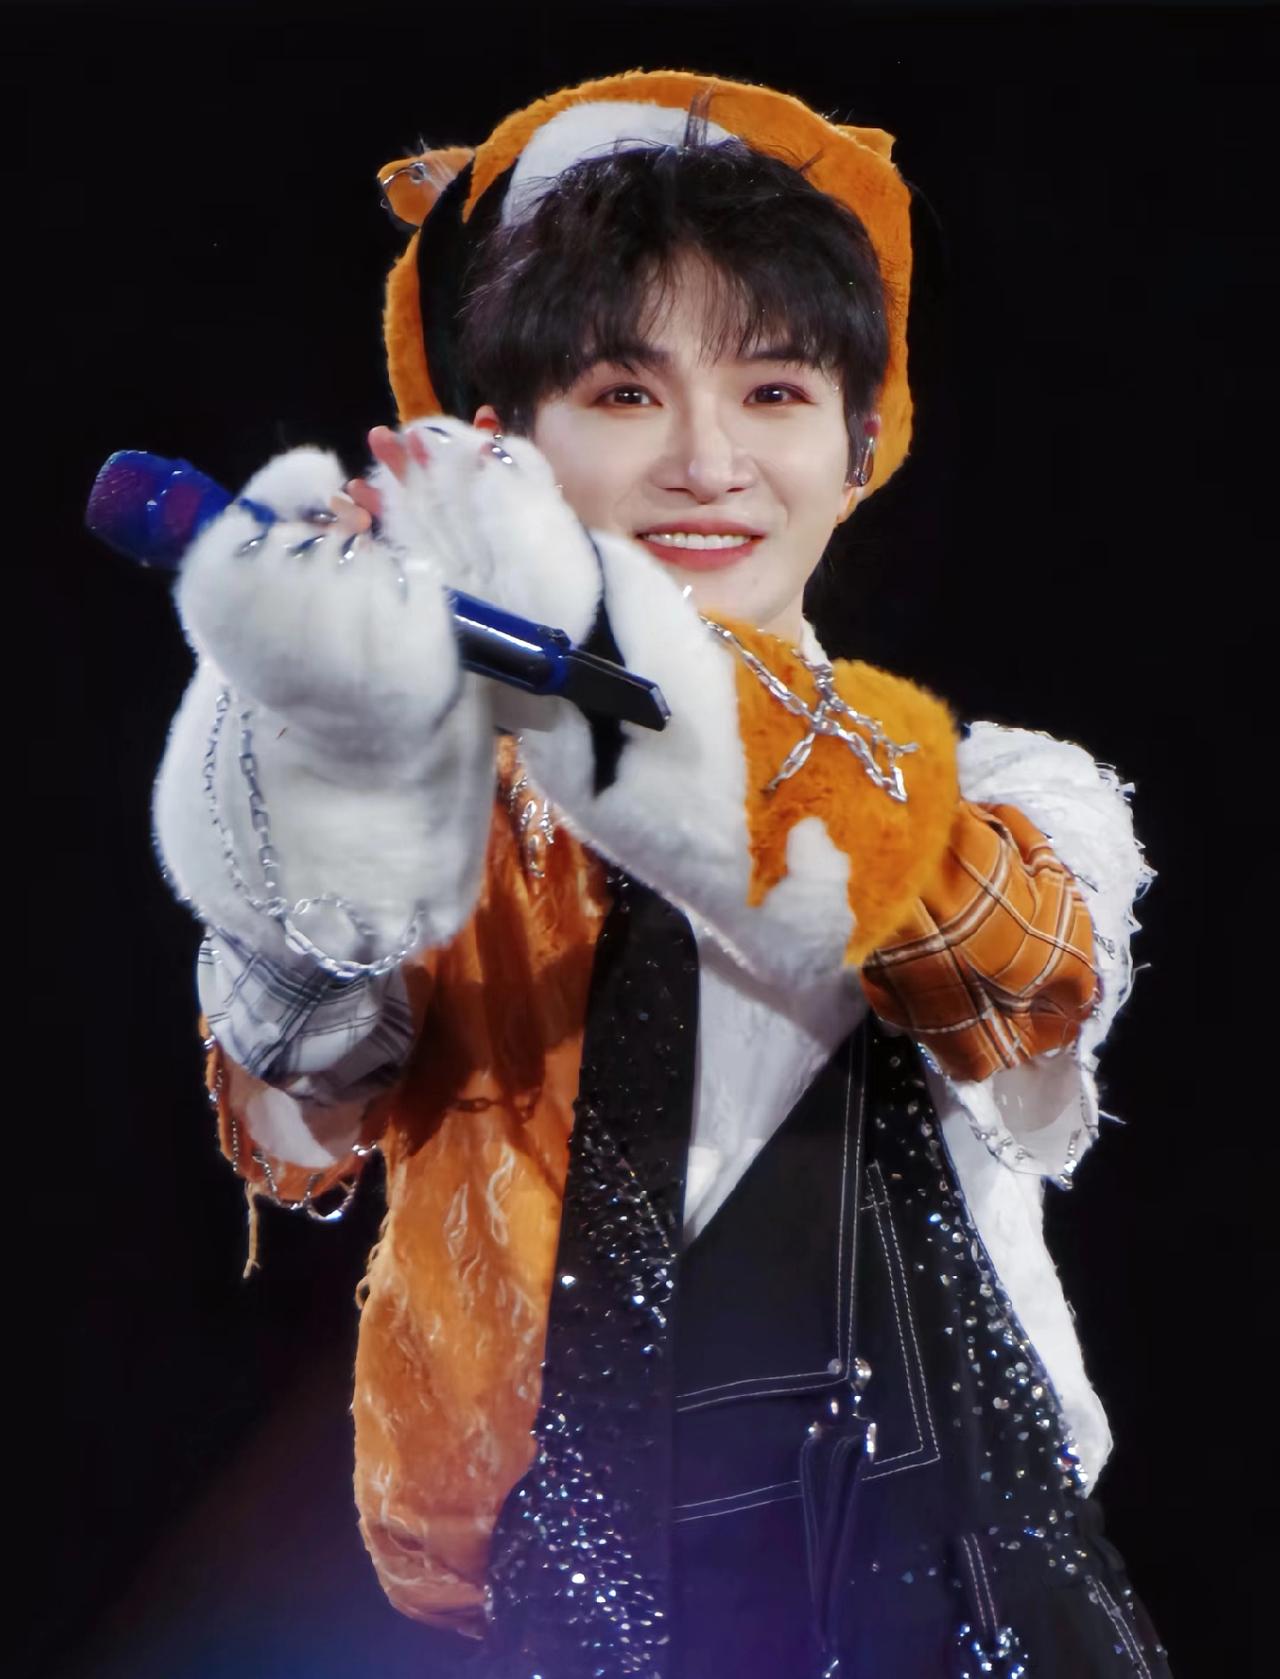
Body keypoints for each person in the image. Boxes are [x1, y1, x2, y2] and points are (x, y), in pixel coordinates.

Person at [151, 70, 1167, 1678]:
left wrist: (601, 656)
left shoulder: (1003, 792)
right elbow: (295, 1123)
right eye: (625, 394)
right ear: (504, 450)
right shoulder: (466, 826)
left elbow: (1015, 981)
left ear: (863, 441)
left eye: (774, 392)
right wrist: (309, 746)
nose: (708, 462)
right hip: (552, 1630)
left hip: (952, 1612)